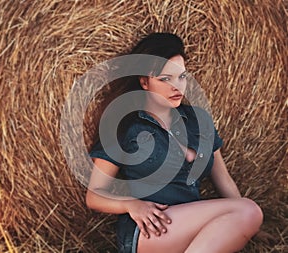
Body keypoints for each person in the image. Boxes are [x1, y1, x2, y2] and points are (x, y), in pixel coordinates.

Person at [86, 33, 263, 253]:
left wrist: (245, 225)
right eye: (165, 79)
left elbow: (224, 181)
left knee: (248, 212)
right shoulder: (125, 125)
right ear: (144, 82)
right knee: (249, 211)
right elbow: (94, 195)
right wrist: (131, 205)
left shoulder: (198, 121)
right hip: (149, 228)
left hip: (193, 226)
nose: (176, 86)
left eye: (182, 77)